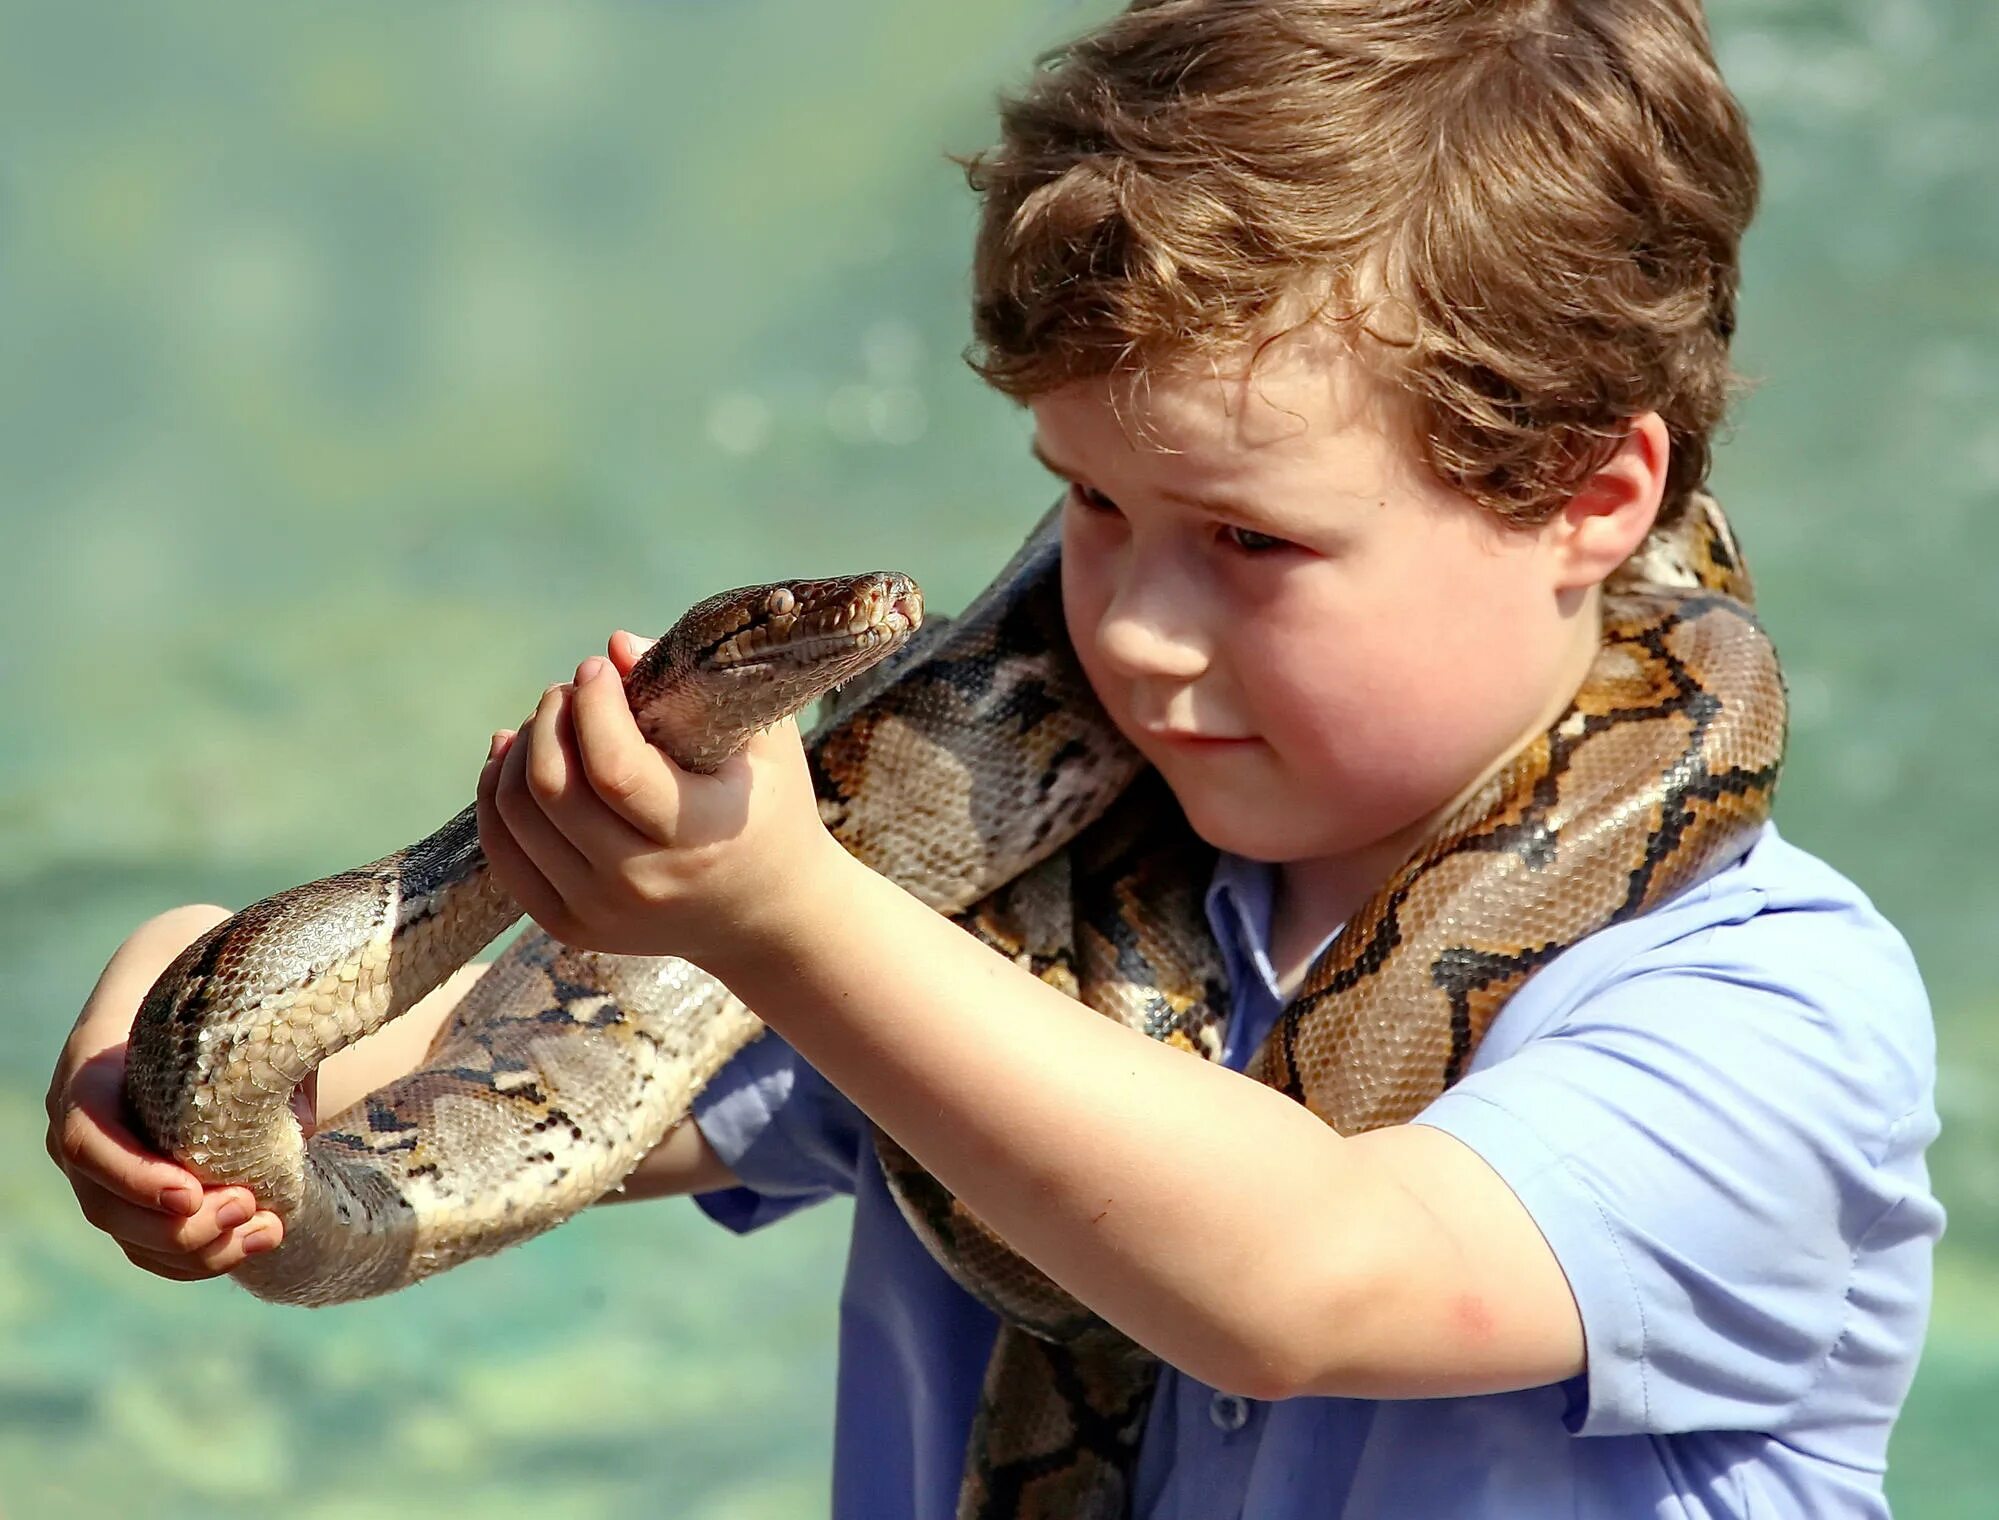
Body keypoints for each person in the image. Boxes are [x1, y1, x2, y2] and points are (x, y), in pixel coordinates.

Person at [48, 3, 1941, 1516]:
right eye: (1090, 507)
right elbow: (450, 1089)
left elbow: (1317, 1283)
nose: (1126, 627)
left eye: (1254, 542)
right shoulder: (971, 919)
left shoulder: (1765, 1019)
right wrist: (180, 1031)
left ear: (1593, 497)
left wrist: (783, 916)